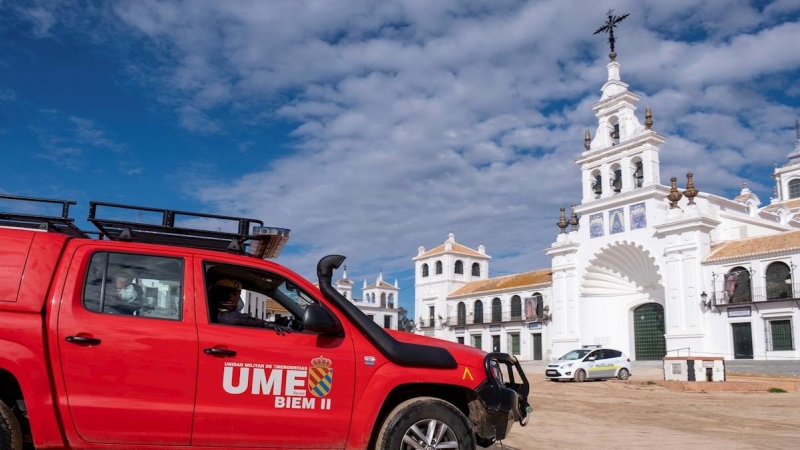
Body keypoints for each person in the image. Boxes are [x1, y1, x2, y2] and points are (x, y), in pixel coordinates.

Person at [210, 278, 291, 335]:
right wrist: (269, 325)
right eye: (239, 295)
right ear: (232, 297)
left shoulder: (214, 312)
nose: (240, 299)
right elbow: (243, 319)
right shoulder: (228, 317)